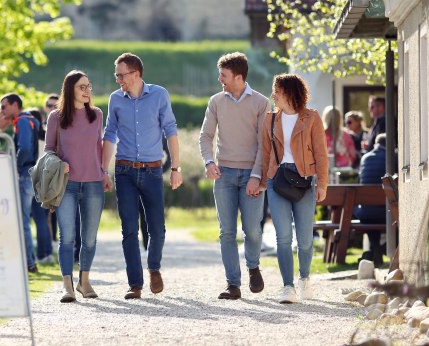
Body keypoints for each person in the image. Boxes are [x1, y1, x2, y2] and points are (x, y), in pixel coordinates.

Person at [102, 52, 182, 300]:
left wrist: (176, 168)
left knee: (157, 229)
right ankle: (134, 284)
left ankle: (154, 268)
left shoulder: (159, 95)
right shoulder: (115, 99)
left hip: (152, 170)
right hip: (124, 171)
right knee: (128, 230)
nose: (118, 80)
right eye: (116, 75)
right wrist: (104, 170)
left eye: (120, 75)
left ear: (135, 74)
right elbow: (110, 134)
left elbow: (170, 130)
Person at [199, 52, 268, 300]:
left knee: (252, 229)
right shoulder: (216, 102)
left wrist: (256, 175)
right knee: (226, 232)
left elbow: (264, 144)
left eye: (224, 75)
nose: (220, 79)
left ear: (239, 77)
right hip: (224, 175)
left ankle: (253, 266)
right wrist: (209, 162)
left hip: (252, 174)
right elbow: (205, 136)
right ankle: (233, 284)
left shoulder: (261, 103)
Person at [260, 73, 329, 304]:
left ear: (289, 92)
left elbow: (321, 154)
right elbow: (266, 153)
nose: (273, 95)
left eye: (277, 90)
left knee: (305, 238)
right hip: (277, 180)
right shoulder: (269, 119)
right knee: (283, 237)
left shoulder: (311, 118)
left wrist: (322, 184)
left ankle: (305, 279)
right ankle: (287, 287)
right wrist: (263, 181)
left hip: (304, 181)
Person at [45, 70, 106, 302]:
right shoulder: (56, 117)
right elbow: (48, 150)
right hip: (66, 185)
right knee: (67, 237)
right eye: (82, 87)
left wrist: (104, 173)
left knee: (89, 238)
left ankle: (85, 281)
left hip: (93, 183)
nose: (87, 91)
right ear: (69, 89)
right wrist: (60, 163)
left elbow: (98, 148)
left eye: (89, 86)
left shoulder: (97, 115)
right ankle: (67, 286)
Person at [0, 93, 40, 273]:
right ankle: (29, 261)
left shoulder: (23, 121)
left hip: (24, 175)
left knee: (23, 220)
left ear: (15, 105)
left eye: (4, 106)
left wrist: (14, 166)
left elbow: (24, 148)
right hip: (30, 174)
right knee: (24, 220)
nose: (2, 111)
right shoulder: (29, 120)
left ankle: (29, 263)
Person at [354, 133, 389, 266]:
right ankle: (379, 249)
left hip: (365, 212)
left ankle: (375, 250)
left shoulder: (365, 158)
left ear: (375, 144)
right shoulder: (392, 157)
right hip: (385, 212)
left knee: (371, 214)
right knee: (384, 214)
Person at [26, 108, 54, 265]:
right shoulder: (47, 137)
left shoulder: (31, 138)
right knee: (43, 219)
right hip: (47, 180)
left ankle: (42, 254)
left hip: (34, 179)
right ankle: (47, 252)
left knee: (36, 219)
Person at [43, 94, 61, 244]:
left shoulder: (61, 124)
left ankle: (55, 240)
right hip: (42, 172)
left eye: (55, 106)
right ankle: (48, 242)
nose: (51, 108)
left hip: (59, 172)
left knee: (56, 209)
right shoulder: (38, 126)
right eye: (49, 105)